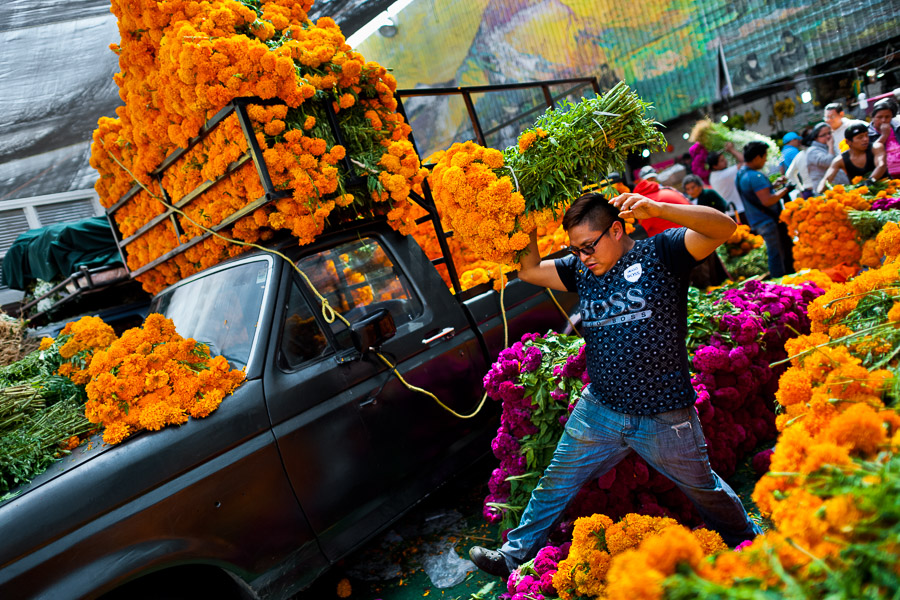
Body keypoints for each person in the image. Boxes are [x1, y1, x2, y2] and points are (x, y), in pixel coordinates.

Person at [468, 192, 761, 578]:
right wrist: (526, 217)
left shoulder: (663, 252)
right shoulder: (581, 270)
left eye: (589, 245)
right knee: (555, 482)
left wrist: (660, 210)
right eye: (576, 248)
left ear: (617, 230)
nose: (583, 256)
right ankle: (511, 555)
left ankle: (749, 539)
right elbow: (529, 271)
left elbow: (724, 227)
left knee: (705, 490)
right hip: (600, 409)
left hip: (664, 415)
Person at [735, 141, 794, 278]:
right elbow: (767, 200)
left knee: (774, 252)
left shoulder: (741, 174)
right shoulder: (755, 176)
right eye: (764, 156)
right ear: (757, 157)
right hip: (767, 220)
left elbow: (756, 194)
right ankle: (779, 280)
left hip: (757, 220)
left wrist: (773, 186)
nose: (766, 159)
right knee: (777, 254)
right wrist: (786, 190)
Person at [817, 122, 886, 192]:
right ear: (848, 142)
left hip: (887, 188)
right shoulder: (840, 160)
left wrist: (871, 180)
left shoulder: (876, 147)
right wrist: (819, 194)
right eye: (860, 137)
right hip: (861, 195)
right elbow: (827, 179)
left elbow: (881, 165)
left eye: (866, 135)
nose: (865, 139)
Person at [632, 168, 693, 236]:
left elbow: (639, 230)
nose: (651, 181)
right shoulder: (665, 190)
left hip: (686, 234)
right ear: (641, 180)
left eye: (653, 178)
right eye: (648, 179)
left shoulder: (646, 201)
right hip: (688, 230)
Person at [707, 142, 745, 221]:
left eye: (724, 159)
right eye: (722, 160)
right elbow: (744, 162)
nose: (725, 161)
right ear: (714, 166)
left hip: (733, 212)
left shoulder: (713, 176)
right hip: (739, 211)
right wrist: (732, 150)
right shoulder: (724, 175)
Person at [806, 122, 847, 192]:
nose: (828, 136)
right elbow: (829, 162)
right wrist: (831, 146)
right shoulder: (812, 151)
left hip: (839, 189)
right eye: (823, 135)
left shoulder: (828, 147)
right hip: (826, 192)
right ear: (816, 138)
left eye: (829, 133)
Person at [868, 98, 900, 179]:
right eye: (879, 117)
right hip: (885, 178)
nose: (883, 120)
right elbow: (869, 154)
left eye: (887, 117)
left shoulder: (897, 128)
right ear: (873, 117)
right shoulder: (867, 134)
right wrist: (884, 136)